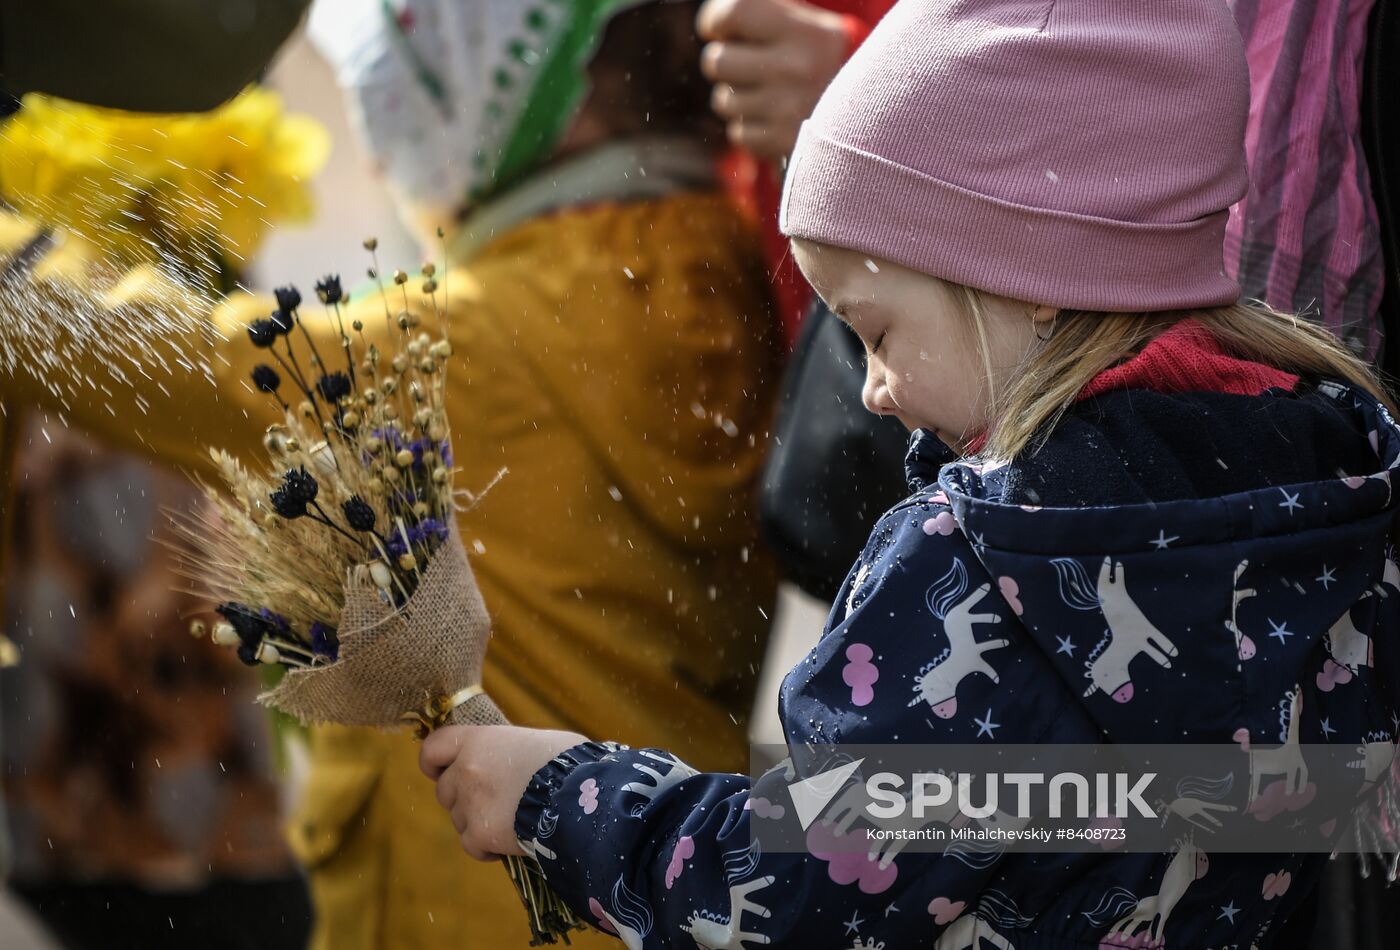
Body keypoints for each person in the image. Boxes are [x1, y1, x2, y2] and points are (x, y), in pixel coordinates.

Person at [419, 1, 1400, 946]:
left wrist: (563, 795)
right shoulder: (1317, 478)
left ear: (1024, 274)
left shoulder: (984, 560)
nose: (874, 391)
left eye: (872, 332)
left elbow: (794, 889)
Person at [0, 1, 779, 946]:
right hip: (651, 901)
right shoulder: (738, 268)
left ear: (532, 82)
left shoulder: (497, 331)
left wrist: (29, 253)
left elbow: (163, 362)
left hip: (471, 907)